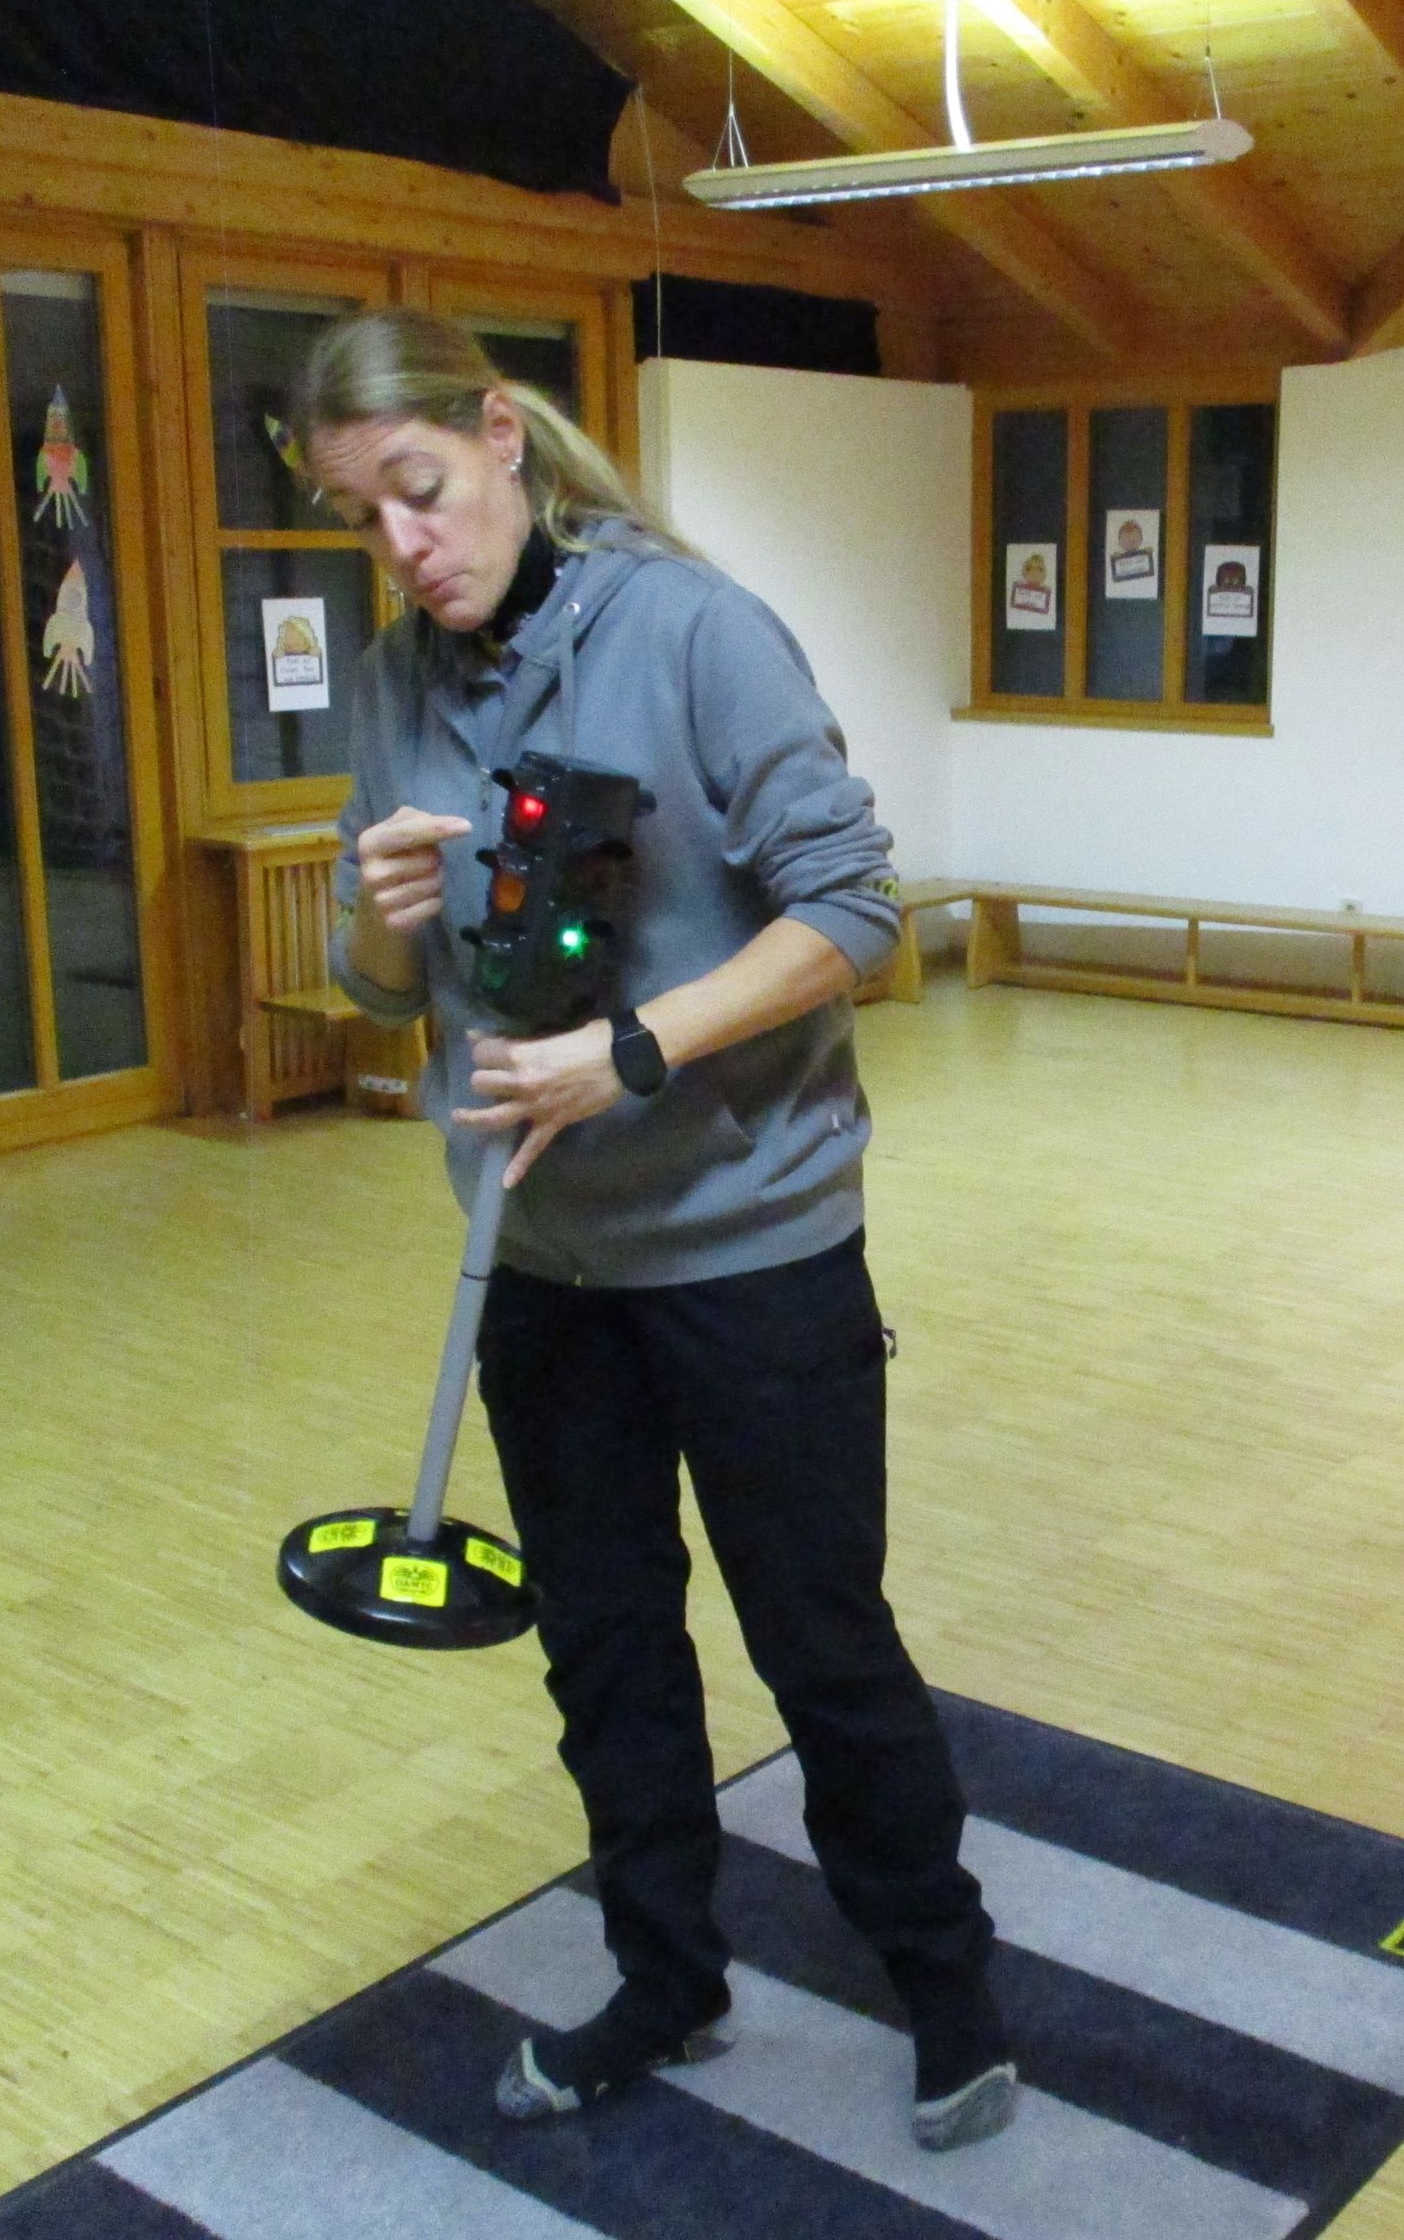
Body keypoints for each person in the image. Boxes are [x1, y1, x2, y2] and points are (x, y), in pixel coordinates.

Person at [298, 308, 1018, 2152]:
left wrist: (634, 1050)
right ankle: (665, 1973)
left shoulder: (694, 630)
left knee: (818, 1637)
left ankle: (945, 1982)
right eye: (363, 517)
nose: (404, 544)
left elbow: (854, 909)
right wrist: (380, 913)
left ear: (500, 435)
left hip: (751, 1243)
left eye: (421, 489)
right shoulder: (392, 682)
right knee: (606, 1641)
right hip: (539, 1261)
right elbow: (375, 985)